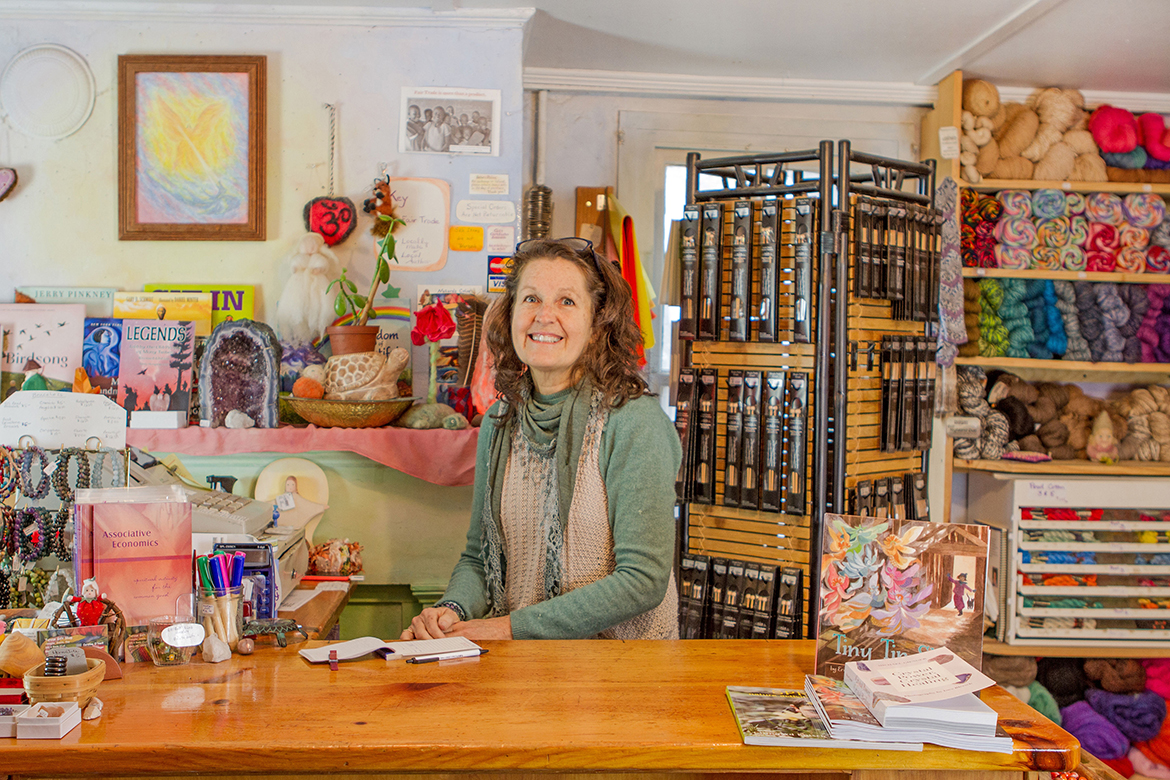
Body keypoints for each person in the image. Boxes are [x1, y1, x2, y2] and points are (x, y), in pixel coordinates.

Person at [403, 238, 681, 641]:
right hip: (527, 670)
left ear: (597, 323)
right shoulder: (498, 423)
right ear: (510, 315)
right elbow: (479, 559)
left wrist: (509, 628)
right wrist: (450, 611)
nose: (544, 316)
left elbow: (643, 580)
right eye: (531, 299)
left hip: (624, 674)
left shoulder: (634, 422)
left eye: (567, 302)